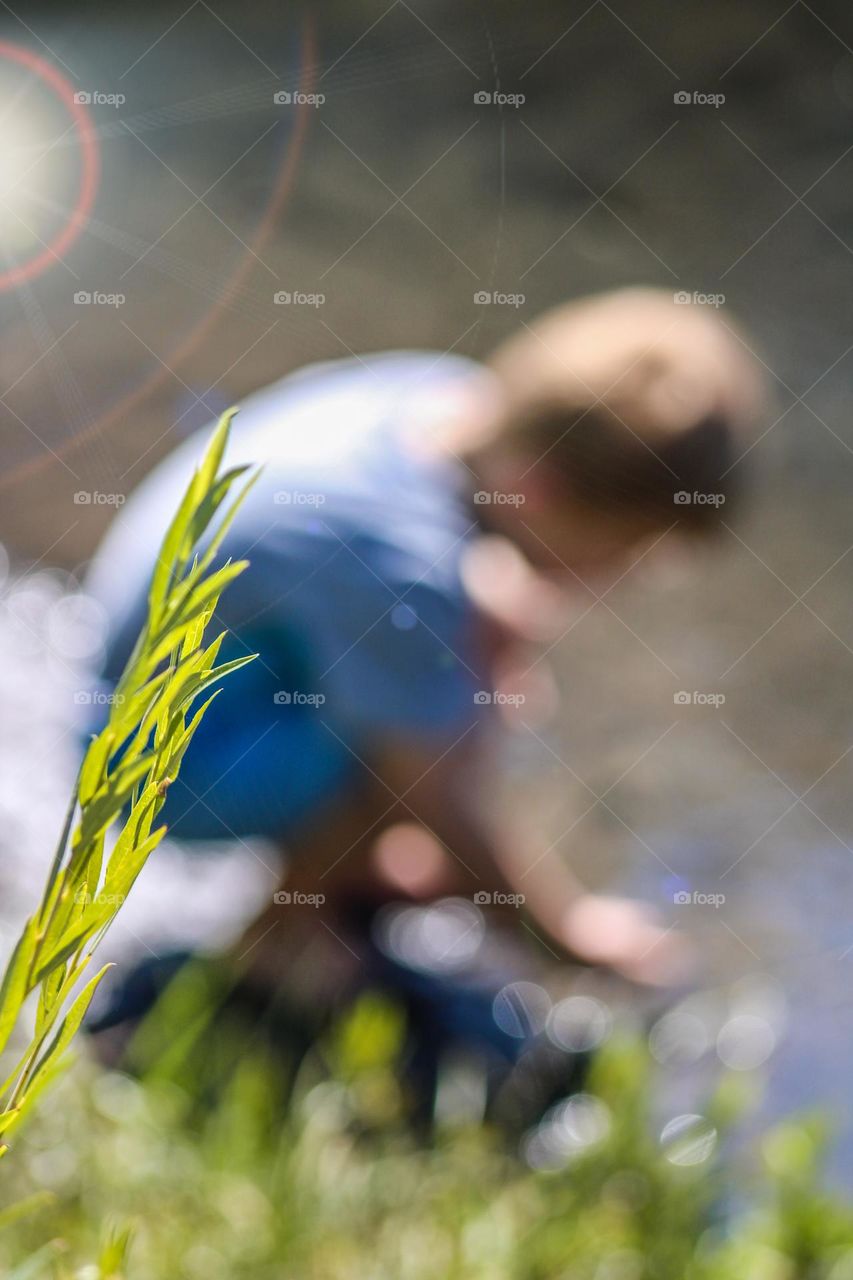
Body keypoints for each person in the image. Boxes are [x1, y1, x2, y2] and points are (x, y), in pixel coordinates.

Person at [85, 287, 764, 993]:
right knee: (450, 721)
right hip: (142, 768)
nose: (622, 580)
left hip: (156, 655)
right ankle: (282, 936)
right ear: (537, 490)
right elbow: (437, 801)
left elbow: (440, 571)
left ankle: (333, 859)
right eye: (620, 554)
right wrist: (564, 935)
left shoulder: (445, 392)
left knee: (464, 659)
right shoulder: (400, 569)